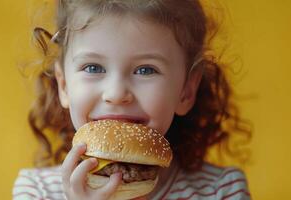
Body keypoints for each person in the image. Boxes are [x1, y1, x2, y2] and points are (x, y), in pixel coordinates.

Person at [13, 0, 252, 199]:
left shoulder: (222, 190)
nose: (116, 94)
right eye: (93, 67)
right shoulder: (36, 190)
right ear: (64, 85)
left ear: (186, 91)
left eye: (146, 70)